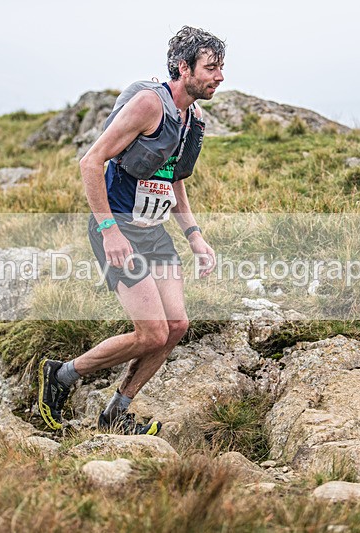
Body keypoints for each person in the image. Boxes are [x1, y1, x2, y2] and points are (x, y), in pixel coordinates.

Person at [37, 26, 226, 435]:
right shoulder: (147, 105)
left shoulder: (191, 119)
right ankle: (63, 375)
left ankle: (117, 410)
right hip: (117, 228)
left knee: (175, 328)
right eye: (211, 68)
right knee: (151, 331)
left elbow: (174, 180)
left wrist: (194, 235)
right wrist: (109, 230)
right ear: (182, 67)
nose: (219, 77)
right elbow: (91, 161)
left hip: (153, 232)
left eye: (221, 68)